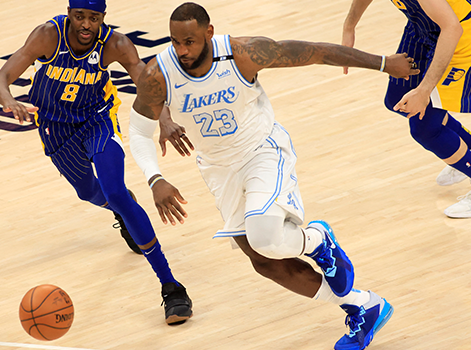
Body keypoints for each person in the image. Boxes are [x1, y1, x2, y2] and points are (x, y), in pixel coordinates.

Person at [129, 2, 418, 349]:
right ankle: (363, 305)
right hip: (218, 169)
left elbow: (316, 53)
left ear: (209, 32)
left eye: (189, 41)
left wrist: (385, 64)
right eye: (176, 42)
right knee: (264, 262)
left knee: (265, 236)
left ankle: (316, 240)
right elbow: (138, 131)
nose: (182, 50)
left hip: (261, 151)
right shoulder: (158, 74)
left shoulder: (242, 54)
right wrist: (154, 178)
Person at [0, 0, 193, 325]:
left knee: (115, 189)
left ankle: (171, 287)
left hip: (96, 119)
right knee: (89, 193)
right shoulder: (47, 36)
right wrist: (9, 100)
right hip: (55, 127)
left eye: (93, 18)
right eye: (79, 16)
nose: (85, 24)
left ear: (103, 18)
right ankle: (121, 210)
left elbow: (147, 84)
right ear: (69, 13)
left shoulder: (116, 44)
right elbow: (0, 80)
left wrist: (165, 120)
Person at [343, 0, 471, 218]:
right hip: (423, 27)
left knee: (425, 129)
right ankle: (462, 155)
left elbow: (453, 28)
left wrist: (423, 91)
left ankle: (462, 159)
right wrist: (349, 26)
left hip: (457, 34)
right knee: (396, 98)